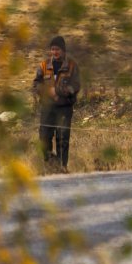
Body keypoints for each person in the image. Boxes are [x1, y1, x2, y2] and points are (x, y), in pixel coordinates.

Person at [33, 35, 81, 171]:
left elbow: (76, 86)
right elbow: (36, 84)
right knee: (44, 138)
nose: (55, 52)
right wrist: (48, 92)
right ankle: (49, 165)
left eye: (57, 49)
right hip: (47, 108)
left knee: (62, 139)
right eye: (52, 49)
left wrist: (58, 91)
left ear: (63, 50)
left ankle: (62, 167)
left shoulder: (71, 65)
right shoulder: (43, 65)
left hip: (64, 108)